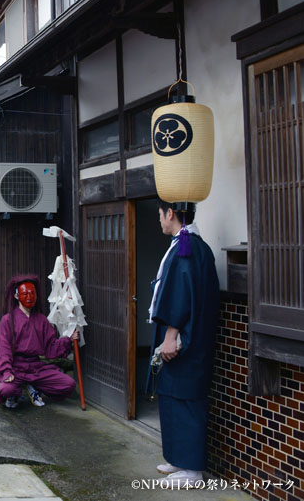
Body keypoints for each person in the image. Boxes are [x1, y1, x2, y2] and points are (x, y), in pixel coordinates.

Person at [148, 201, 219, 487]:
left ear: (170, 213)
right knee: (171, 396)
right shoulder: (194, 246)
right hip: (192, 335)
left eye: (160, 215)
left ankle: (192, 471)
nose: (160, 221)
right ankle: (178, 459)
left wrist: (170, 336)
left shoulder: (186, 249)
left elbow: (180, 295)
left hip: (185, 339)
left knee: (186, 399)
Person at [0, 274, 78, 409]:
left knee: (68, 384)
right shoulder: (8, 320)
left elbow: (51, 347)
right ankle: (16, 392)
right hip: (16, 368)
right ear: (16, 296)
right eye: (25, 293)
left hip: (36, 367)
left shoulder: (41, 320)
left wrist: (69, 339)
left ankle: (33, 387)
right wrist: (7, 371)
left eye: (32, 293)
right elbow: (3, 348)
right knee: (6, 389)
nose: (29, 296)